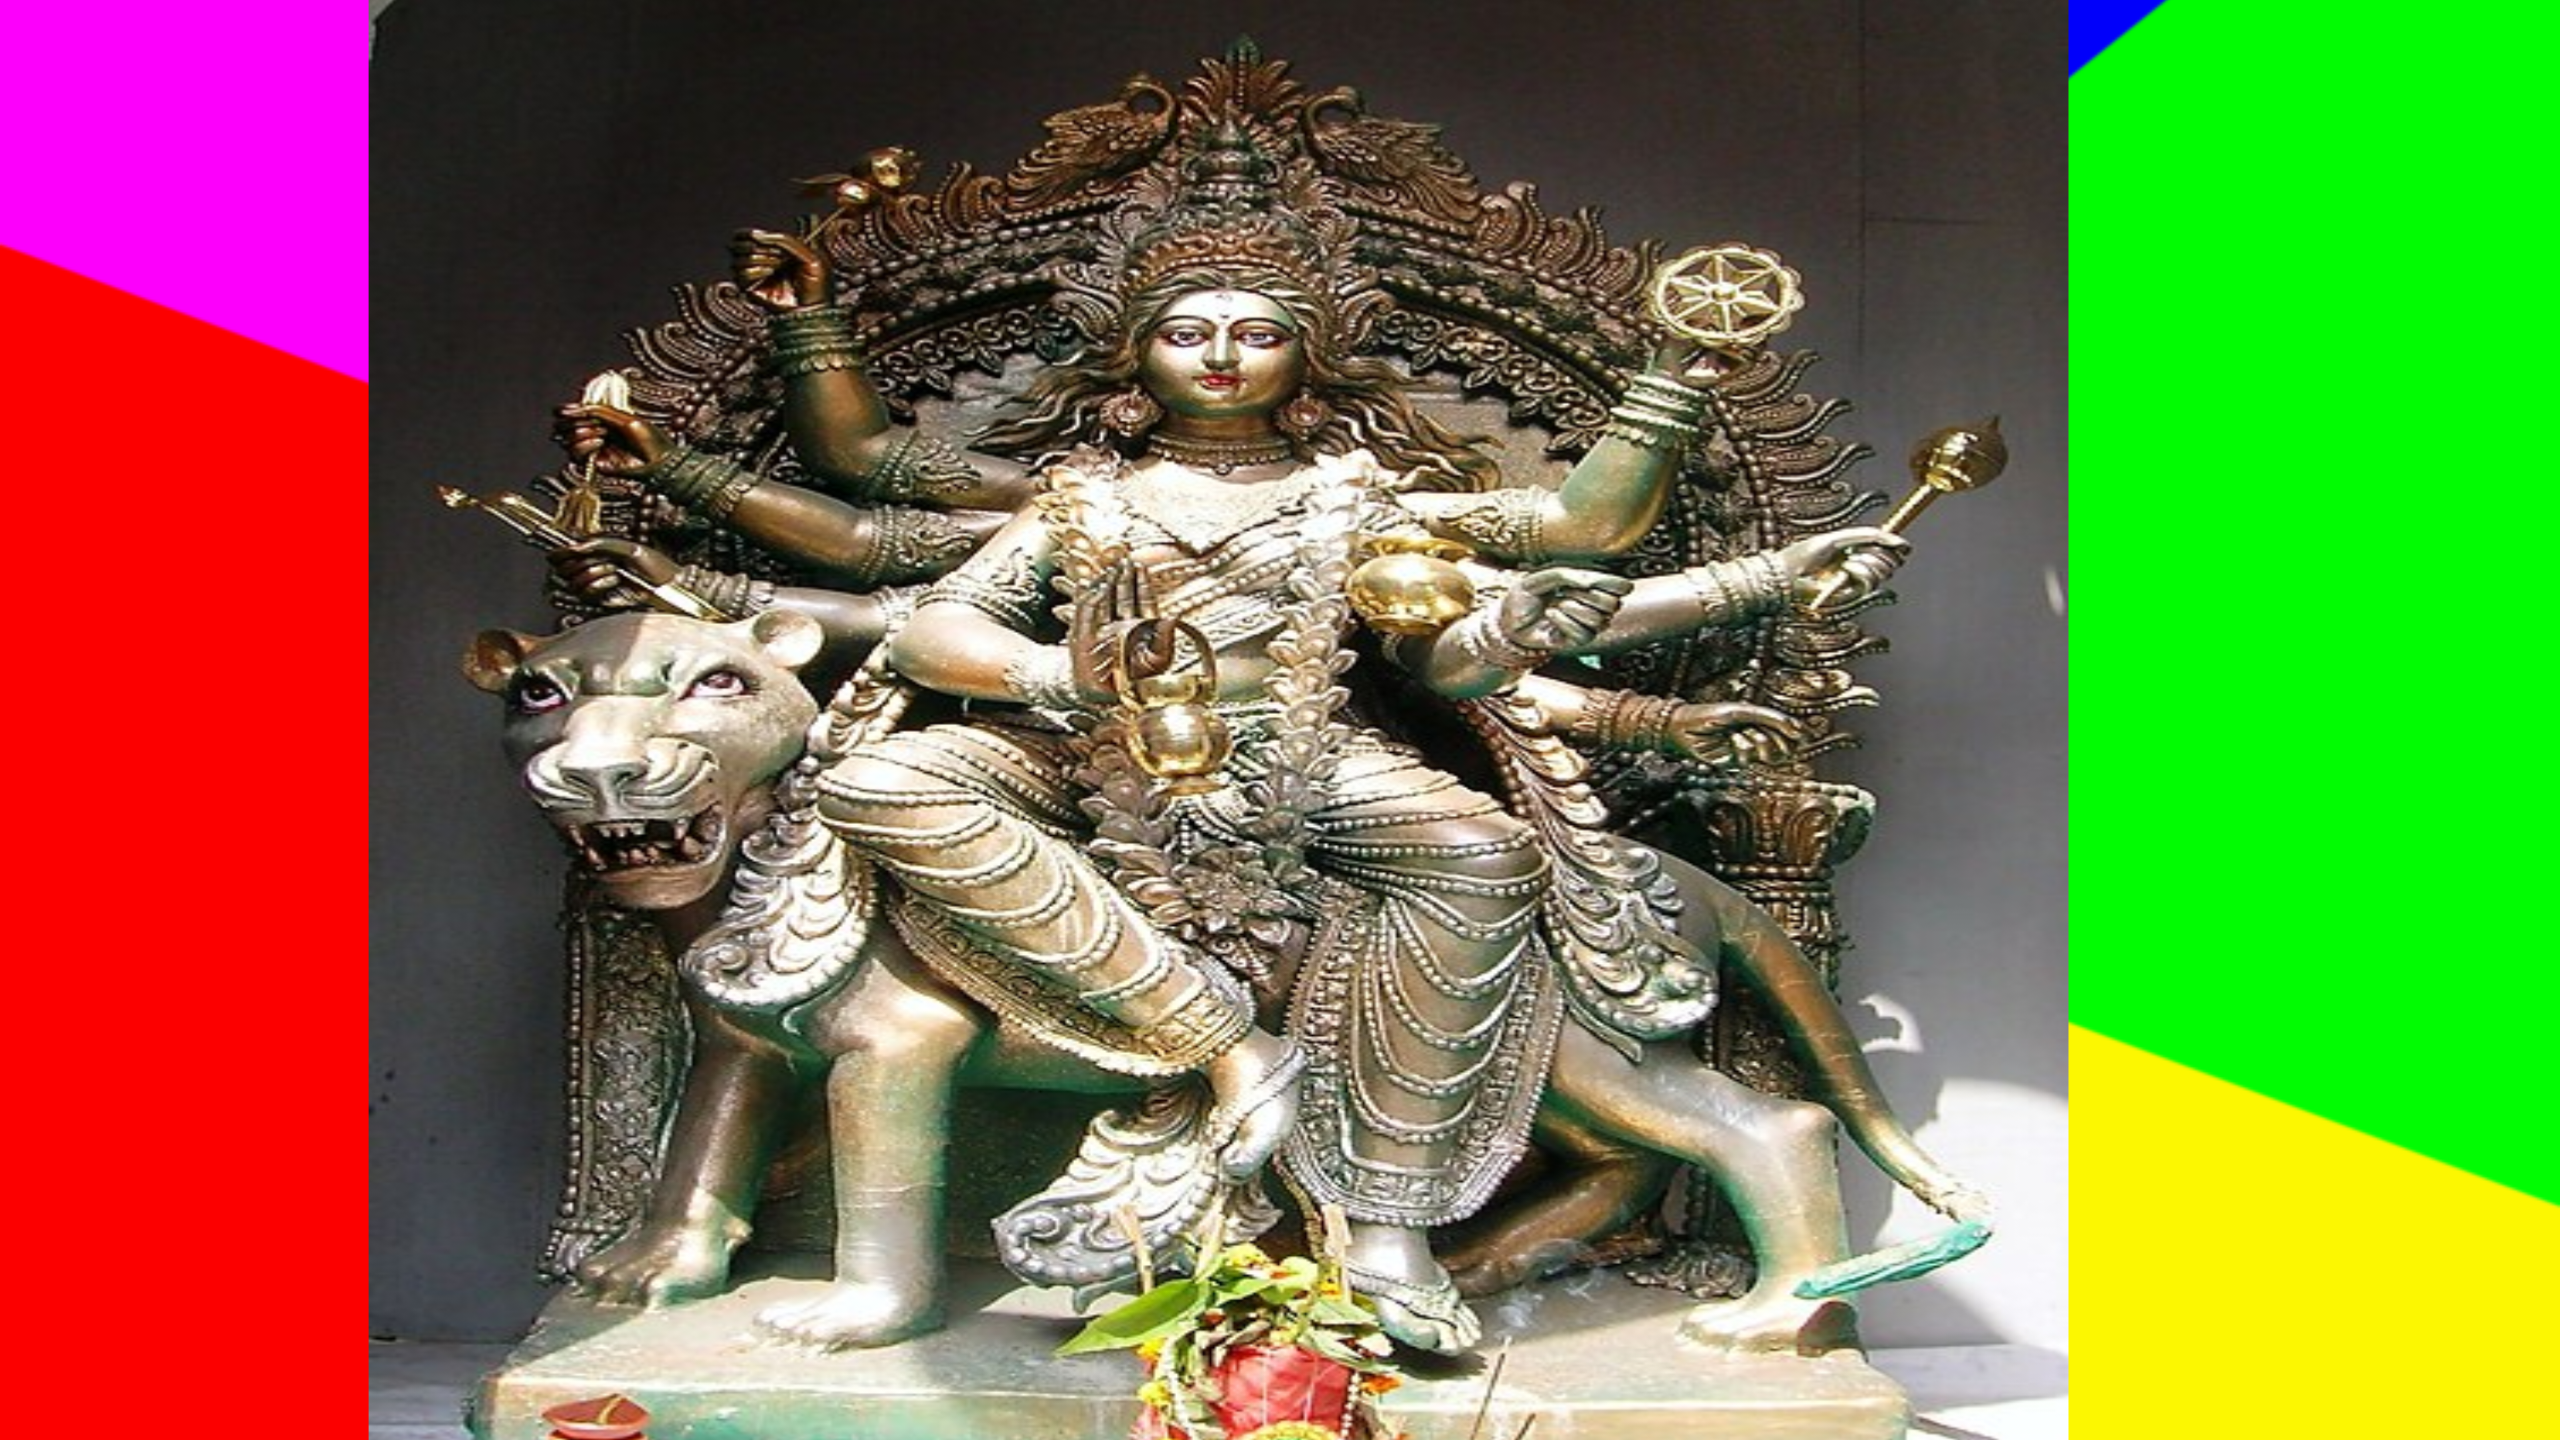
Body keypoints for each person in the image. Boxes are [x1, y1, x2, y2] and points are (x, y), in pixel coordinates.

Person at [569, 130, 1905, 1352]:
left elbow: (1575, 535)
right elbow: (930, 627)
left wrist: (1675, 380)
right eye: (1187, 331)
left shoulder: (1359, 500)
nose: (1220, 355)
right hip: (1090, 758)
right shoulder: (1082, 500)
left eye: (1257, 332)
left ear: (1306, 360)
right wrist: (1056, 674)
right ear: (1134, 358)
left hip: (1305, 762)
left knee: (1482, 856)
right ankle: (1216, 1034)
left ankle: (1386, 1230)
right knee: (882, 779)